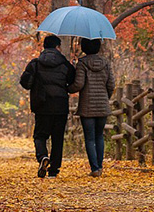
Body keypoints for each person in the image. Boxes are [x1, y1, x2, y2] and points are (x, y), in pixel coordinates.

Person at [20, 35, 76, 178]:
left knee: (40, 136)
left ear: (44, 47)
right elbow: (72, 81)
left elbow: (25, 83)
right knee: (57, 139)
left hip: (42, 105)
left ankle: (43, 157)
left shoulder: (35, 64)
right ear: (58, 47)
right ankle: (54, 170)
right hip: (60, 106)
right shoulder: (65, 65)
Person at [69, 38, 114, 177]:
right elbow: (111, 84)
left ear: (84, 47)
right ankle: (99, 167)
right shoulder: (106, 63)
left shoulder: (82, 63)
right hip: (102, 105)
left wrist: (68, 88)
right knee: (99, 136)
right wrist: (106, 98)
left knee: (90, 138)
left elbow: (79, 84)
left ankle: (94, 168)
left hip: (87, 106)